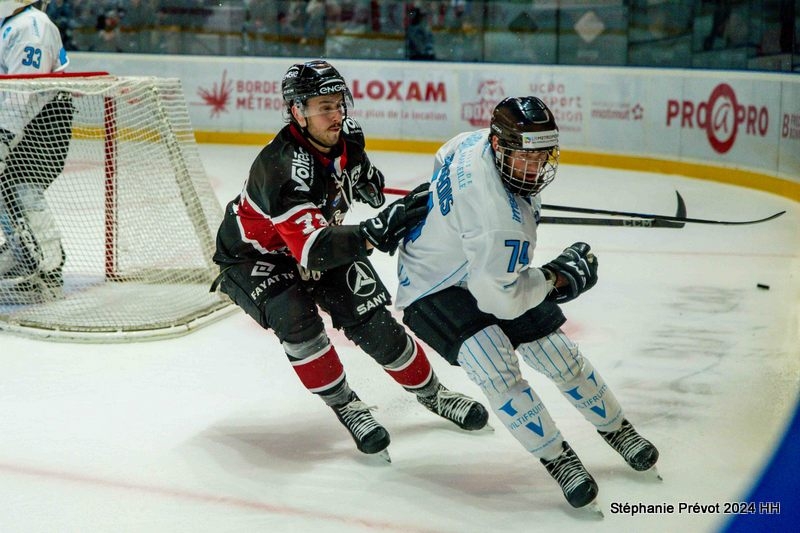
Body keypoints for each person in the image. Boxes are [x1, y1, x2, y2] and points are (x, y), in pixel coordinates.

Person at [211, 60, 489, 460]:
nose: (337, 114)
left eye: (339, 103)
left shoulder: (346, 138)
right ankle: (347, 405)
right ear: (297, 112)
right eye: (324, 106)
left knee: (375, 323)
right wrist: (374, 231)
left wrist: (368, 183)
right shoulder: (281, 168)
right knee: (299, 324)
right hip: (256, 257)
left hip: (313, 240)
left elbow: (360, 177)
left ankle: (433, 394)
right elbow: (314, 250)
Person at [395, 96, 659, 508]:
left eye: (542, 155)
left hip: (478, 262)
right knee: (495, 365)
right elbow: (500, 300)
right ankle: (559, 459)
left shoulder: (470, 142)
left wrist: (458, 222)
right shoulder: (497, 222)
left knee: (558, 354)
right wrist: (556, 279)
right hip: (432, 287)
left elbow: (444, 162)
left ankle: (618, 430)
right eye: (525, 158)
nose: (536, 167)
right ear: (499, 147)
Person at [0, 0, 72, 305]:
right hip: (20, 123)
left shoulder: (32, 28)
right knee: (6, 191)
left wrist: (3, 137)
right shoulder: (13, 24)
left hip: (42, 123)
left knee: (21, 189)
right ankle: (24, 256)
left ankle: (49, 268)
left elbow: (22, 92)